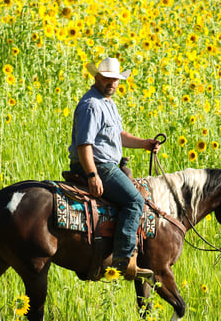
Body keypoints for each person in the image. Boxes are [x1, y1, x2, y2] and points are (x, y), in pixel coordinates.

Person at [68, 57, 161, 281]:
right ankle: (123, 259)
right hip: (98, 165)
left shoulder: (108, 102)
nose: (112, 83)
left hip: (105, 164)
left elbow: (119, 136)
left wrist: (145, 143)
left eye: (116, 79)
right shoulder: (92, 105)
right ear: (97, 77)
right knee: (135, 201)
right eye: (108, 78)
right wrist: (92, 175)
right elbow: (84, 144)